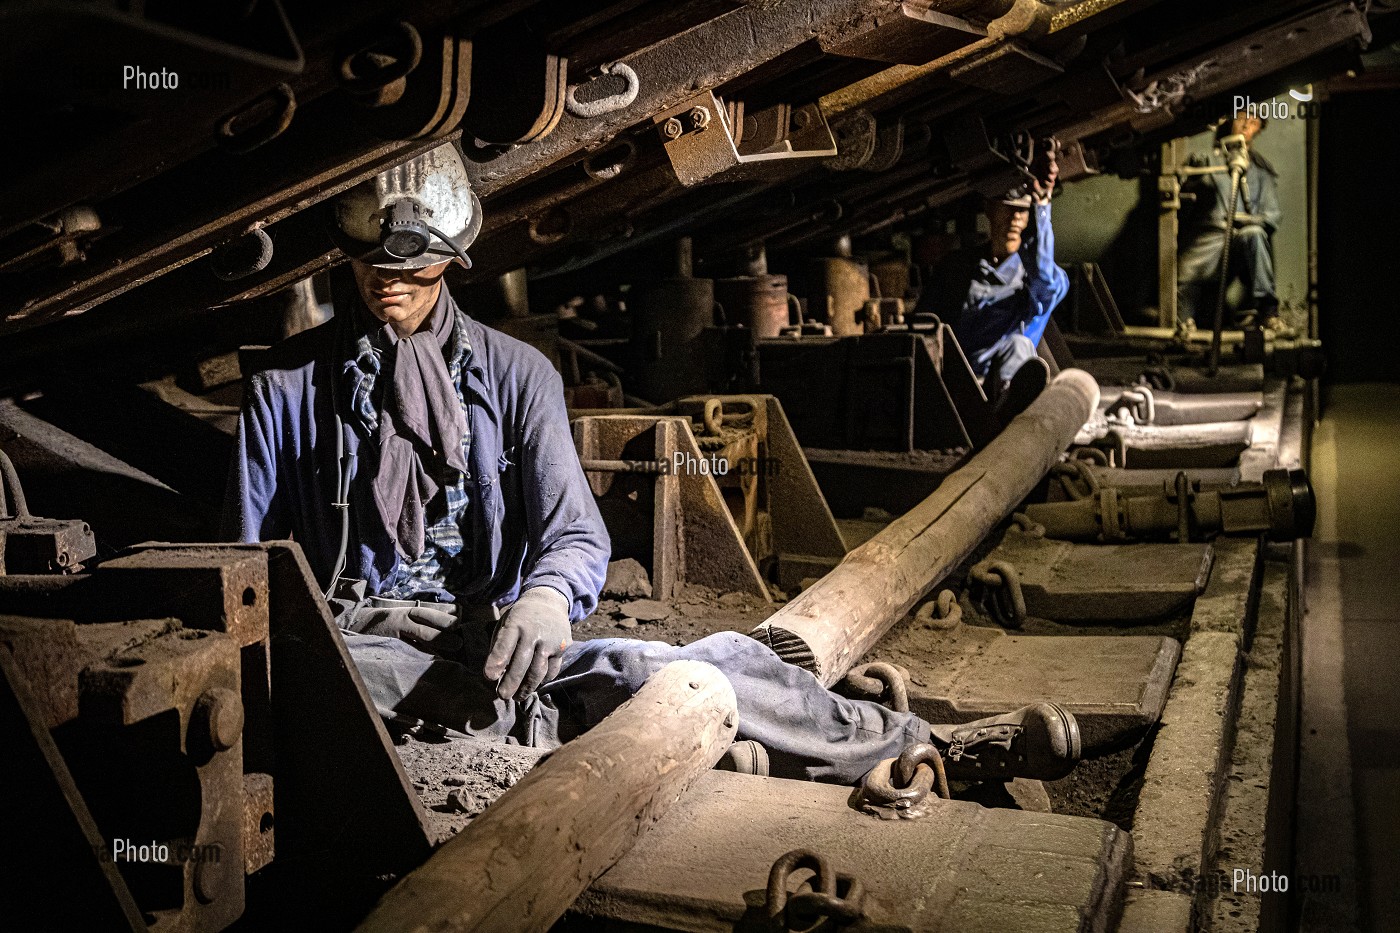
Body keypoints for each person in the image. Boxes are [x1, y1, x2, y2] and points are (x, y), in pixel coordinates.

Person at [223, 141, 1082, 787]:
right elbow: (248, 576)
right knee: (403, 695)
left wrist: (550, 597)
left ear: (453, 255)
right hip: (363, 650)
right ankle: (655, 737)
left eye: (411, 265)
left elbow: (571, 531)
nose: (389, 283)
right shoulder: (287, 390)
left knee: (704, 661)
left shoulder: (515, 375)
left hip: (493, 636)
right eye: (371, 264)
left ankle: (913, 745)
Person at [919, 145, 1068, 416]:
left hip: (1004, 387)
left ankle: (1008, 411)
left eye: (1022, 211)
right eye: (1007, 208)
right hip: (958, 383)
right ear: (989, 208)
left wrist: (1043, 204)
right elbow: (926, 320)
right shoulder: (958, 268)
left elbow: (1044, 276)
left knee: (1018, 345)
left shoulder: (1040, 281)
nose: (1014, 218)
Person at [1177, 114, 1287, 334]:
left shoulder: (1262, 171)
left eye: (1254, 122)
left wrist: (1245, 220)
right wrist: (1191, 179)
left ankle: (1268, 313)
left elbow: (1271, 216)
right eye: (1242, 118)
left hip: (1241, 237)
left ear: (1259, 129)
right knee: (1185, 276)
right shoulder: (1206, 160)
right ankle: (1183, 322)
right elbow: (1184, 201)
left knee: (1255, 234)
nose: (1246, 125)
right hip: (1210, 237)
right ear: (1231, 121)